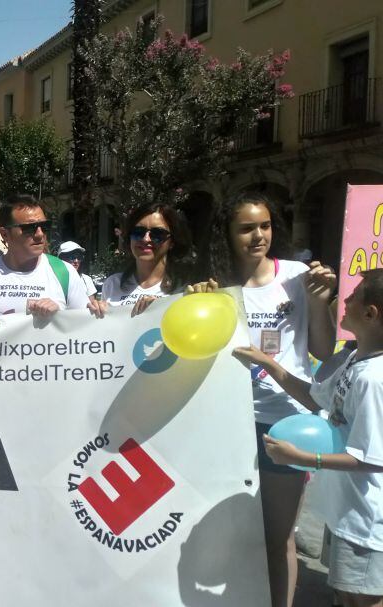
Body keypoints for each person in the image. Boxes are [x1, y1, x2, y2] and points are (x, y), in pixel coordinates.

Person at [206, 191, 337, 607]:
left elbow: (325, 348)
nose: (258, 235)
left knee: (280, 537)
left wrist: (319, 303)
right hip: (228, 423)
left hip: (286, 423)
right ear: (227, 234)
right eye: (246, 228)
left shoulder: (298, 276)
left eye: (264, 225)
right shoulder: (216, 284)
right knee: (235, 534)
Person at [233, 270, 383, 607]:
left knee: (364, 599)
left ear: (371, 313)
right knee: (346, 595)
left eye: (354, 295)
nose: (343, 300)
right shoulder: (354, 361)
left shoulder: (374, 379)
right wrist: (266, 362)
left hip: (368, 520)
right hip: (348, 512)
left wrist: (303, 459)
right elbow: (314, 398)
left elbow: (372, 457)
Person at [0, 195, 90, 325]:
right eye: (30, 228)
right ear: (5, 234)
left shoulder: (65, 272)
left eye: (44, 226)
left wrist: (60, 315)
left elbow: (84, 328)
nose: (40, 234)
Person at [90, 203, 194, 317]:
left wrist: (159, 309)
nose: (145, 239)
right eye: (138, 232)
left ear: (172, 242)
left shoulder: (184, 289)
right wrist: (97, 313)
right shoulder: (112, 284)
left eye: (158, 234)